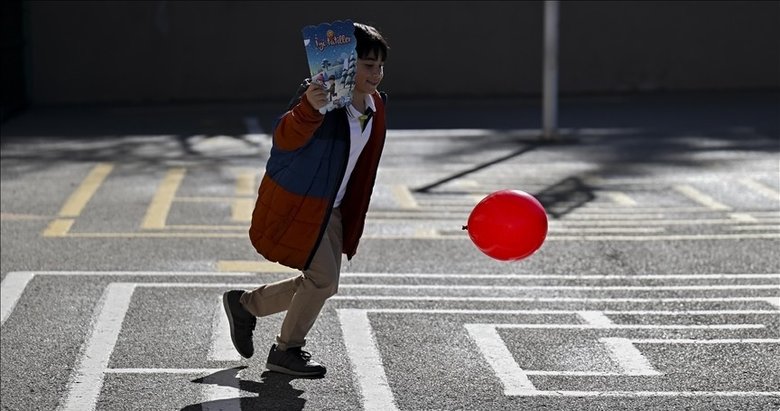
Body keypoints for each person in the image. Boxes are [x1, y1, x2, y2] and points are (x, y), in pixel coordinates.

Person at [222, 22, 389, 377]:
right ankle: (286, 350)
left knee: (321, 282)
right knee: (323, 281)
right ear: (347, 63)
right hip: (304, 204)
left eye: (379, 66)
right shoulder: (321, 98)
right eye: (367, 64)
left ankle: (245, 305)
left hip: (335, 207)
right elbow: (285, 137)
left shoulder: (375, 106)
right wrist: (308, 109)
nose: (376, 73)